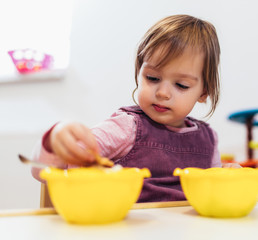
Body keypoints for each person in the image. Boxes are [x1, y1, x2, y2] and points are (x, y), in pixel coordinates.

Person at [32, 14, 233, 202]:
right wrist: (54, 143)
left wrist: (228, 176)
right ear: (139, 73)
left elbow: (212, 194)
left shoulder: (209, 139)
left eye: (181, 85)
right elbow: (48, 172)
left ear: (203, 92)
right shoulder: (126, 127)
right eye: (152, 78)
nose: (163, 93)